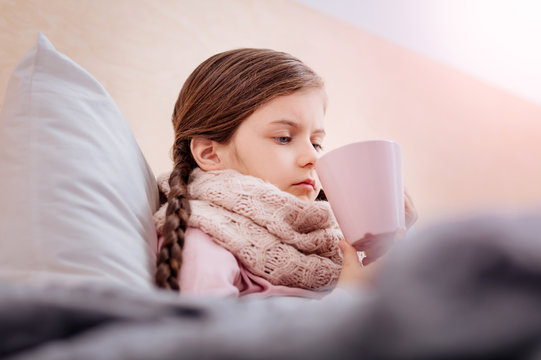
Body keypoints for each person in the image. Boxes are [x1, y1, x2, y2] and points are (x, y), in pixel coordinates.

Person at [153, 48, 417, 298]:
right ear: (210, 154)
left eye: (316, 143)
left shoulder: (334, 244)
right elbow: (203, 342)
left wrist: (394, 250)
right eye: (283, 138)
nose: (313, 157)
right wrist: (347, 297)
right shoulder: (203, 241)